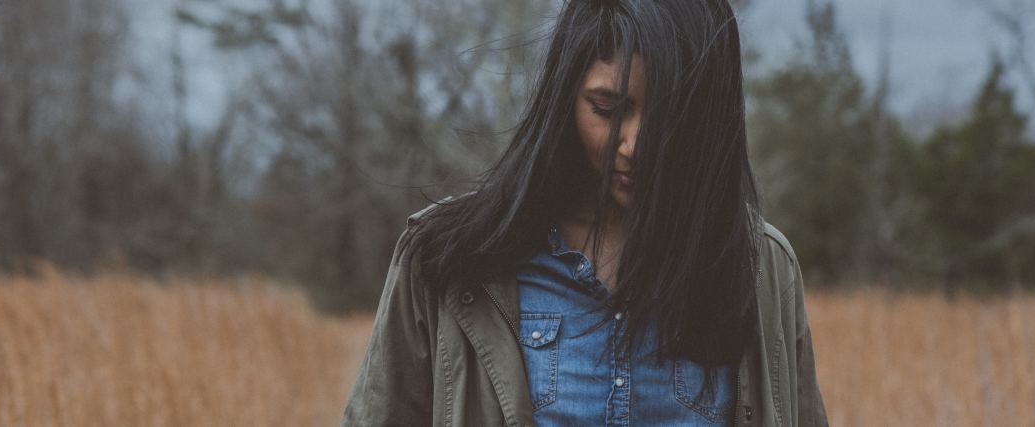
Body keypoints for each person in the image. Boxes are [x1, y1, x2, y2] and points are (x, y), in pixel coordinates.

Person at [342, 0, 827, 425]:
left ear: (708, 120)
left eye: (671, 118)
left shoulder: (762, 269)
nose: (635, 145)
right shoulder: (445, 261)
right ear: (564, 98)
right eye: (607, 108)